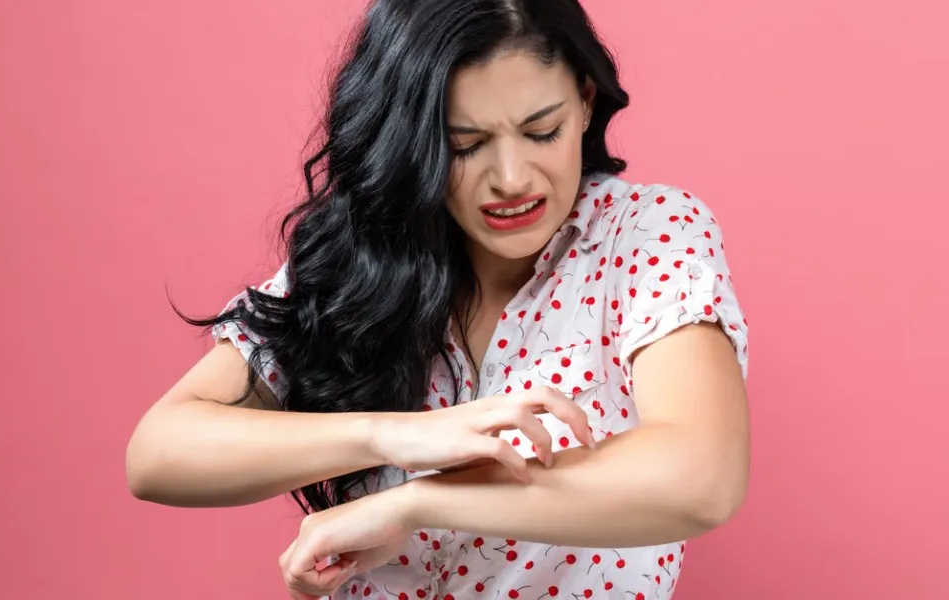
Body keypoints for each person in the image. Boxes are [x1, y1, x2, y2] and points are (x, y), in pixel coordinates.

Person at [126, 0, 751, 598]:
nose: (512, 179)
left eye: (542, 131)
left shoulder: (644, 234)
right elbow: (158, 454)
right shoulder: (364, 258)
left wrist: (416, 503)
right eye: (464, 144)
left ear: (586, 102)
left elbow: (701, 476)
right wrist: (395, 436)